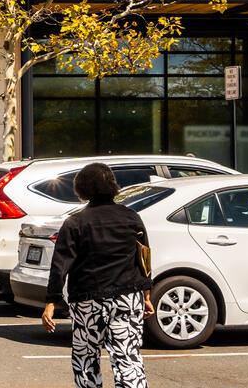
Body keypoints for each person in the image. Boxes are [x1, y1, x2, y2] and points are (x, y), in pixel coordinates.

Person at [41, 163, 153, 388]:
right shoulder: (132, 218)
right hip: (128, 297)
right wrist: (147, 294)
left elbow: (60, 264)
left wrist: (52, 301)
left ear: (81, 188)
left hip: (88, 300)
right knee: (127, 358)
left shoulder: (75, 222)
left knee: (86, 359)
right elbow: (144, 258)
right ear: (112, 186)